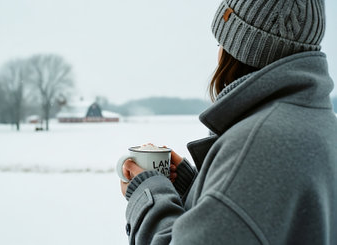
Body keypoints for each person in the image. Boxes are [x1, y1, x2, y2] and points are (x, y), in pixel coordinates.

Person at [119, 0, 337, 244]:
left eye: (220, 42)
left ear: (236, 49)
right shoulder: (323, 126)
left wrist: (148, 194)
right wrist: (194, 187)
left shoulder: (258, 144)